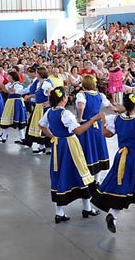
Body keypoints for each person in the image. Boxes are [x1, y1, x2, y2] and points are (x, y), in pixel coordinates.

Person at [39, 87, 101, 223]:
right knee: (81, 172)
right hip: (70, 145)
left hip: (58, 146)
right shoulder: (65, 114)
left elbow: (41, 125)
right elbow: (78, 131)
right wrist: (93, 120)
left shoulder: (50, 111)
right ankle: (87, 207)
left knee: (60, 173)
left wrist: (53, 137)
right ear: (64, 99)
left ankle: (60, 212)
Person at [92, 93, 135, 233]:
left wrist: (103, 120)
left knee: (122, 185)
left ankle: (113, 216)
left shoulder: (117, 119)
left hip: (122, 156)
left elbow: (107, 134)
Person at [76, 75, 118, 183]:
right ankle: (97, 180)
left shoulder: (82, 95)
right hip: (98, 125)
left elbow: (81, 107)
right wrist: (118, 111)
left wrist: (79, 118)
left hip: (87, 125)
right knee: (98, 148)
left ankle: (86, 177)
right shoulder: (100, 95)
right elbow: (110, 106)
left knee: (86, 149)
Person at [24, 67, 53, 154]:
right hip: (38, 107)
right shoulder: (40, 83)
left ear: (40, 74)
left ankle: (52, 147)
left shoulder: (46, 84)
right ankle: (41, 146)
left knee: (46, 127)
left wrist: (49, 102)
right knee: (40, 126)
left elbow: (51, 93)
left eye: (37, 73)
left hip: (43, 108)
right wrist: (29, 96)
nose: (35, 74)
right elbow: (38, 94)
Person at [0, 72, 27, 143]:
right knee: (8, 120)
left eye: (9, 77)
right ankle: (5, 137)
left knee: (16, 120)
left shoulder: (17, 85)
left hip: (16, 103)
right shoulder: (10, 84)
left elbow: (12, 91)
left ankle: (21, 137)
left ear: (13, 77)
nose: (8, 78)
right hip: (10, 103)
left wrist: (1, 85)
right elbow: (5, 90)